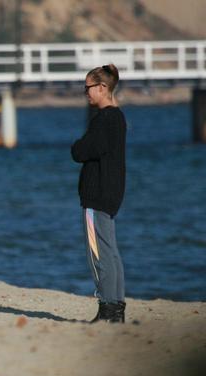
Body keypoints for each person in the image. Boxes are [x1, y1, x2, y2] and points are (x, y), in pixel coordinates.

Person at [71, 64, 127, 323]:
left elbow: (81, 151)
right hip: (111, 193)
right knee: (111, 252)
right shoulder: (118, 117)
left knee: (98, 254)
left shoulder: (104, 119)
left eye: (88, 88)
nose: (86, 93)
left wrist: (77, 145)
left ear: (102, 87)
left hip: (97, 195)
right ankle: (116, 309)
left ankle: (107, 308)